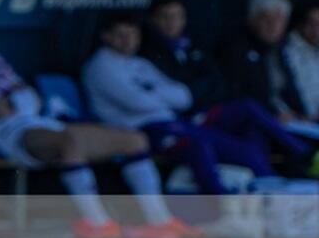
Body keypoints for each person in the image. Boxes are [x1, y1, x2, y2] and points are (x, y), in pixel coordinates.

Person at [0, 9, 192, 238]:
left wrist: (14, 102)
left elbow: (30, 98)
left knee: (135, 140)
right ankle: (97, 223)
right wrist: (13, 103)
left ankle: (159, 221)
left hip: (37, 122)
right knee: (69, 143)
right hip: (5, 135)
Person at [83, 14, 277, 195]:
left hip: (172, 123)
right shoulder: (100, 65)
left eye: (133, 34)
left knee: (246, 150)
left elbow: (183, 96)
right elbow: (138, 102)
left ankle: (276, 196)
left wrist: (153, 95)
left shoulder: (139, 64)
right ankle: (219, 204)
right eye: (121, 35)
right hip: (139, 132)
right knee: (198, 145)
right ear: (106, 36)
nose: (128, 40)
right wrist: (158, 97)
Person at [142, 0, 316, 175]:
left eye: (177, 16)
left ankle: (268, 186)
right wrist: (194, 92)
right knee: (249, 109)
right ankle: (303, 155)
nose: (172, 22)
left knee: (254, 134)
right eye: (165, 17)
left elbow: (215, 81)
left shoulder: (192, 44)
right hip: (184, 122)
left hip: (211, 113)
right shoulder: (148, 52)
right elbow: (180, 95)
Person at [284, 3, 319, 123]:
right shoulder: (286, 50)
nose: (316, 30)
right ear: (300, 24)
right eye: (312, 24)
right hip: (295, 120)